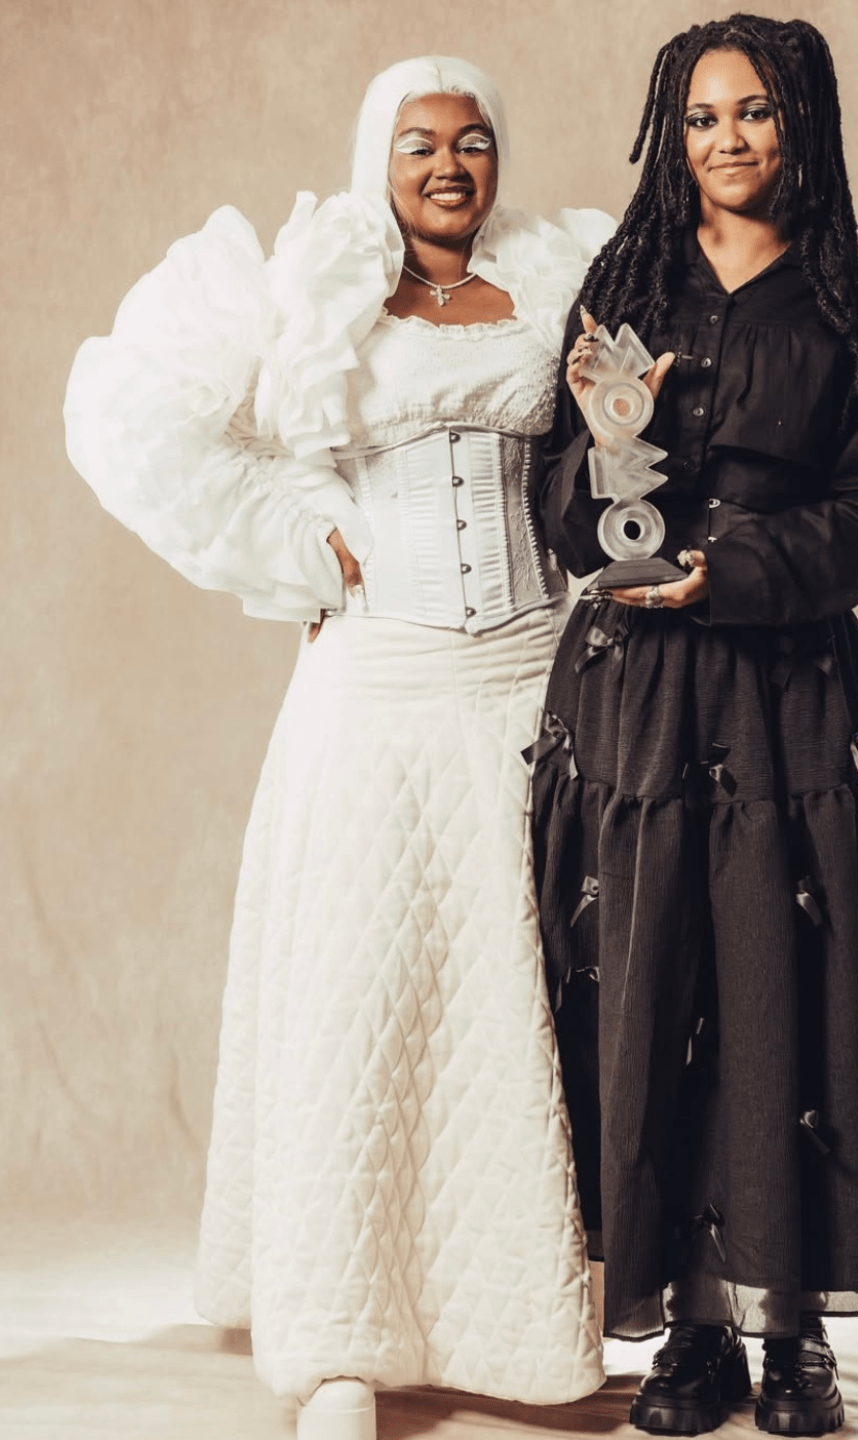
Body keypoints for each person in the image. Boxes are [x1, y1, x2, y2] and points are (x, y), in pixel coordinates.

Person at [64, 55, 614, 1440]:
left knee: (543, 1004)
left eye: (472, 141)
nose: (448, 165)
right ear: (381, 156)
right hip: (377, 687)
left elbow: (617, 445)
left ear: (498, 158)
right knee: (363, 1002)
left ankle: (535, 1319)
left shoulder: (559, 281)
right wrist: (308, 533)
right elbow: (150, 419)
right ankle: (337, 1349)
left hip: (533, 681)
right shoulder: (316, 291)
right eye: (420, 142)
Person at [527, 16, 858, 1437]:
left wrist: (733, 572)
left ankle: (793, 1328)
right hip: (633, 698)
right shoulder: (624, 286)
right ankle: (691, 1332)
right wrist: (608, 446)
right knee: (655, 983)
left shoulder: (855, 300)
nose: (726, 140)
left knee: (784, 985)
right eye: (699, 118)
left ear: (800, 122)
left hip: (791, 690)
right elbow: (559, 497)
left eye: (752, 112)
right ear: (669, 137)